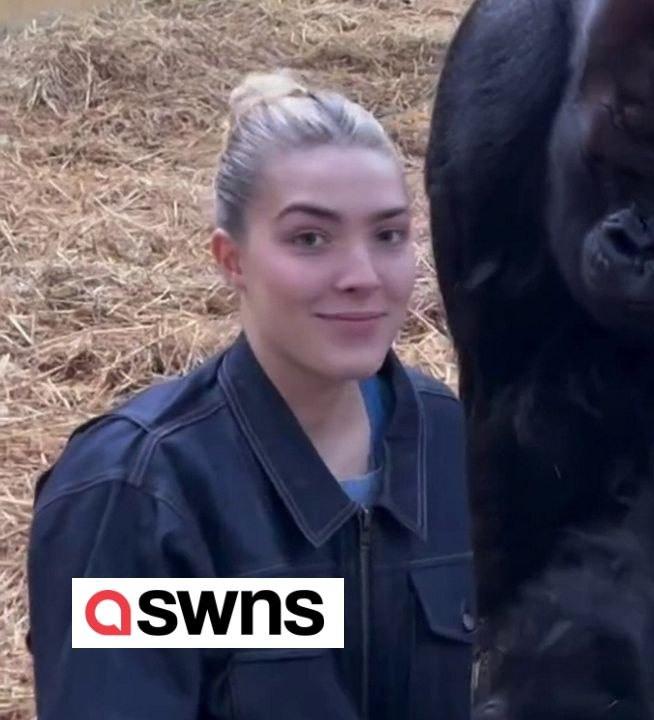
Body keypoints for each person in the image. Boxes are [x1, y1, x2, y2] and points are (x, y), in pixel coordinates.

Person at [26, 69, 476, 719]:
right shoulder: (138, 494)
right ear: (231, 259)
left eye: (389, 235)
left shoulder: (449, 442)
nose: (363, 276)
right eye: (310, 239)